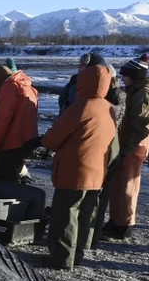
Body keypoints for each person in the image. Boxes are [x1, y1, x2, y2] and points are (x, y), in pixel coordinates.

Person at [41, 63, 116, 270]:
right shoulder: (109, 109)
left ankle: (62, 258)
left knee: (65, 216)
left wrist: (43, 140)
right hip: (97, 172)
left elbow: (53, 139)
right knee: (84, 216)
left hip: (74, 171)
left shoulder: (80, 108)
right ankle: (77, 256)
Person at [101, 57, 149, 239]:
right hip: (130, 146)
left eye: (125, 75)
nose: (122, 79)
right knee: (119, 186)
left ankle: (124, 225)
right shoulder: (137, 91)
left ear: (134, 76)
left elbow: (139, 126)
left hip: (134, 147)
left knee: (127, 186)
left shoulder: (144, 94)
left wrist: (126, 148)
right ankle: (117, 220)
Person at [0, 62, 40, 183]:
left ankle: (5, 200)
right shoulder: (28, 87)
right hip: (28, 139)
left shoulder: (9, 87)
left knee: (2, 179)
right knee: (14, 174)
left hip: (12, 142)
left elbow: (3, 118)